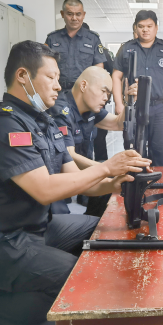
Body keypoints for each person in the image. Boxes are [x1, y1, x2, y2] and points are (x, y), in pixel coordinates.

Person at [0, 41, 151, 325]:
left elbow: (78, 181)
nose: (59, 85)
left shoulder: (45, 123)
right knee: (74, 276)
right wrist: (106, 167)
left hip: (35, 229)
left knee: (100, 231)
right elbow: (45, 190)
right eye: (51, 77)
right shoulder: (4, 125)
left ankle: (27, 290)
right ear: (23, 76)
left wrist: (115, 183)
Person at [51, 66, 137, 216]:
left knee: (109, 177)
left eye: (108, 94)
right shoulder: (62, 112)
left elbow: (118, 123)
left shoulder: (89, 109)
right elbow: (69, 155)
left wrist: (129, 102)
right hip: (56, 180)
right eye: (103, 91)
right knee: (108, 174)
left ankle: (92, 220)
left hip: (75, 173)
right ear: (84, 86)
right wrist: (107, 168)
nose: (106, 98)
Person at [112, 10, 163, 166]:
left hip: (161, 109)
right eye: (141, 26)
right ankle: (136, 181)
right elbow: (116, 77)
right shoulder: (126, 48)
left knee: (161, 150)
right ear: (135, 28)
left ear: (156, 28)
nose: (145, 30)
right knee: (134, 150)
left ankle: (160, 179)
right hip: (134, 107)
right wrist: (119, 103)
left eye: (149, 26)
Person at [93, 26, 137, 162]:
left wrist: (127, 101)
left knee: (99, 138)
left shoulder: (104, 53)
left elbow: (118, 124)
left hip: (96, 103)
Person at [45, 0, 106, 91]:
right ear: (62, 14)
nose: (74, 18)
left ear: (83, 15)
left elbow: (99, 68)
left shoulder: (93, 39)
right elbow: (44, 66)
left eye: (78, 14)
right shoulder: (52, 38)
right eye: (70, 14)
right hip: (58, 90)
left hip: (84, 91)